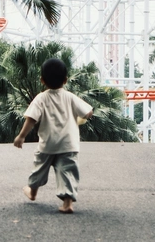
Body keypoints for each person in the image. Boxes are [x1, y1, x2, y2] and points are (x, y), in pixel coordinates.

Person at [13, 57, 93, 213]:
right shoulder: (70, 97)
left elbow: (31, 119)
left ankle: (32, 192)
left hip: (47, 144)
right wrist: (86, 115)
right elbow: (87, 112)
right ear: (65, 80)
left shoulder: (41, 98)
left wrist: (21, 136)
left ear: (42, 80)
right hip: (68, 144)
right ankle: (67, 203)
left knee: (38, 170)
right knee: (67, 172)